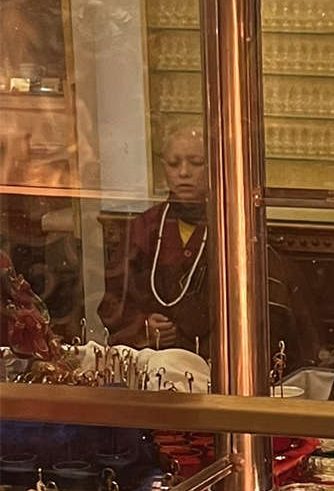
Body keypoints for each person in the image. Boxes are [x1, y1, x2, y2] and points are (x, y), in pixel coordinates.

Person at [99, 126, 316, 366]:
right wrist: (143, 327)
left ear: (214, 167)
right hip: (155, 362)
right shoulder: (146, 227)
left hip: (220, 364)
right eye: (174, 164)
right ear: (163, 169)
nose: (184, 173)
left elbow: (266, 313)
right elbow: (114, 300)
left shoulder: (235, 227)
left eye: (196, 163)